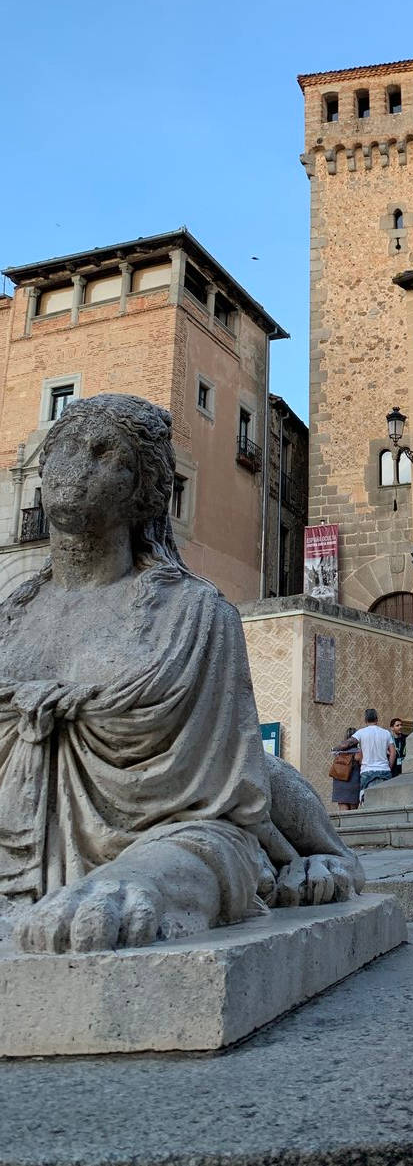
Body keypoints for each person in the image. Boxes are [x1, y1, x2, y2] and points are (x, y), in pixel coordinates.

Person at [0, 392, 363, 955]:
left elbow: (221, 806)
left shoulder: (195, 615)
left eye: (102, 452)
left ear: (145, 488)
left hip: (176, 833)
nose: (74, 465)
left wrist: (141, 878)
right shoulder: (9, 620)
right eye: (63, 448)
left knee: (260, 779)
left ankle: (330, 854)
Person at [355, 707, 396, 802]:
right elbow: (393, 752)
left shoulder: (361, 733)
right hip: (384, 771)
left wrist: (363, 763)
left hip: (367, 771)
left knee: (366, 801)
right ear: (377, 719)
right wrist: (388, 766)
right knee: (386, 800)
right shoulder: (386, 733)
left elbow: (359, 755)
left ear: (365, 720)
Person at [330, 728, 362, 810]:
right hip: (354, 783)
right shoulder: (358, 752)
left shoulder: (337, 752)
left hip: (339, 782)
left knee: (343, 811)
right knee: (353, 812)